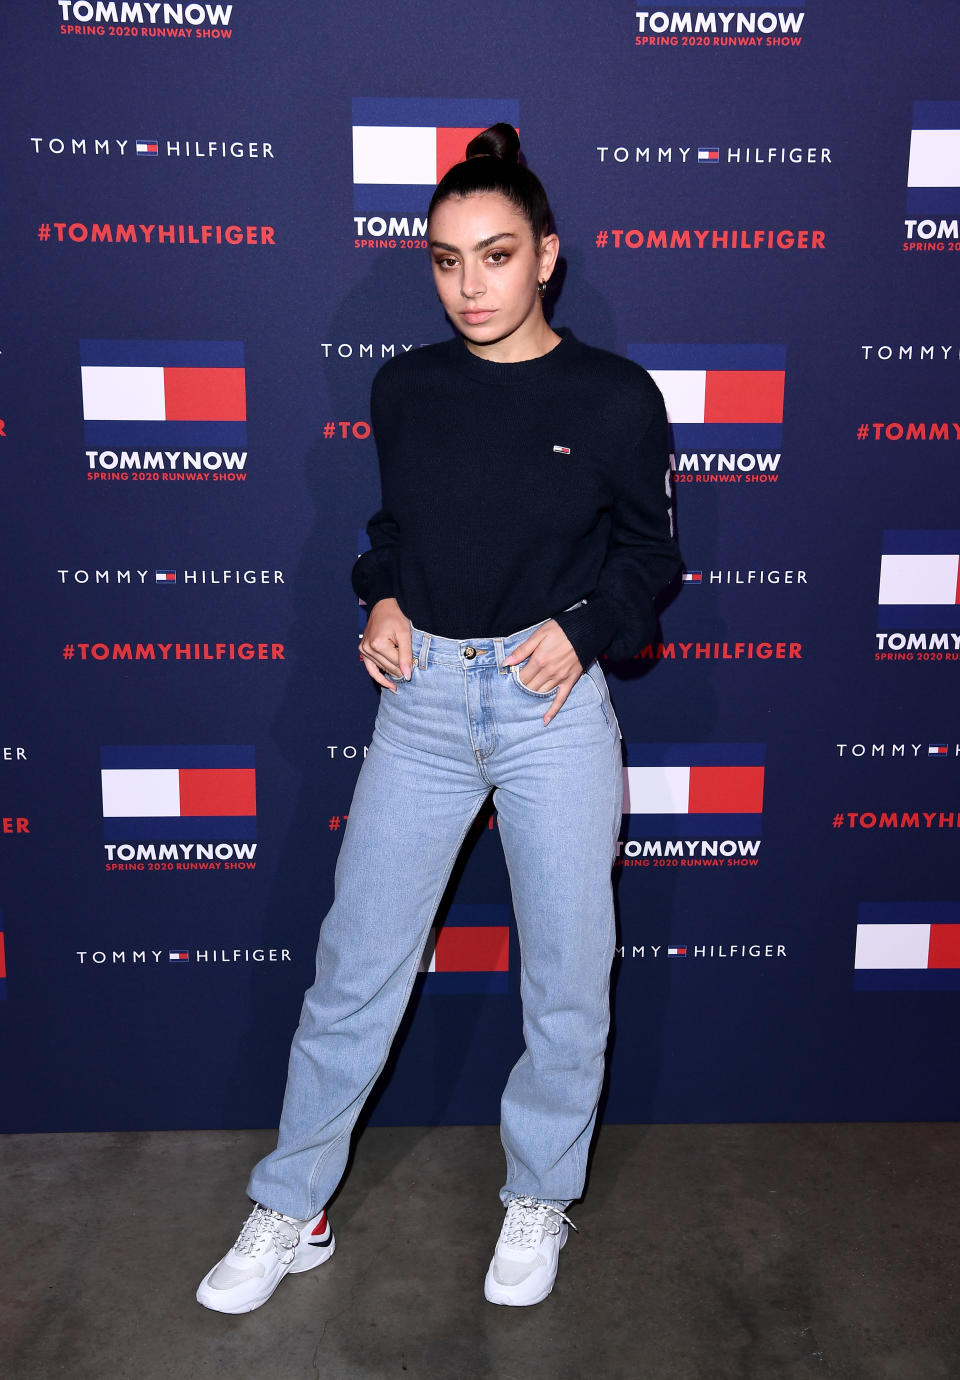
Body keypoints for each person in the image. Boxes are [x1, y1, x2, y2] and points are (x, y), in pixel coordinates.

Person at [197, 123, 681, 1314]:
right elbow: (395, 534)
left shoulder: (616, 397)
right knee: (353, 969)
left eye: (497, 255)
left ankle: (540, 1192)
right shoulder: (404, 387)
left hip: (550, 703)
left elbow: (650, 556)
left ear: (548, 257)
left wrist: (583, 630)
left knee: (569, 977)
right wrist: (387, 598)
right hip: (419, 708)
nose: (471, 284)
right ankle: (291, 1202)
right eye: (447, 259)